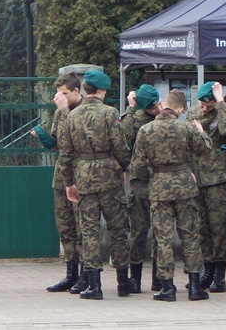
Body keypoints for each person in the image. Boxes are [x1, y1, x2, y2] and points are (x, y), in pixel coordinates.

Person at [130, 89, 212, 302]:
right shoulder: (186, 127)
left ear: (164, 103)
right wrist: (200, 130)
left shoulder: (146, 130)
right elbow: (205, 150)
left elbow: (137, 166)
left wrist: (152, 175)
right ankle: (195, 286)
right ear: (181, 108)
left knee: (163, 238)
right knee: (190, 236)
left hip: (159, 188)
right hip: (185, 186)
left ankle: (167, 287)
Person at [59, 69, 131, 300]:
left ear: (86, 90)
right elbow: (120, 146)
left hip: (84, 178)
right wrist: (123, 167)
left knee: (88, 231)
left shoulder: (72, 116)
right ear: (101, 91)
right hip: (109, 177)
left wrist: (69, 182)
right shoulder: (110, 113)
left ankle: (94, 285)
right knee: (118, 230)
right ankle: (122, 282)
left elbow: (66, 153)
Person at [31, 72, 85, 293]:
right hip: (62, 175)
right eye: (58, 93)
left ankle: (86, 274)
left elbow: (73, 138)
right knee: (65, 227)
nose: (59, 98)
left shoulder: (83, 111)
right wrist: (43, 137)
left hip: (81, 176)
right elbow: (57, 142)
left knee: (82, 226)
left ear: (76, 91)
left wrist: (63, 111)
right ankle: (70, 273)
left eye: (64, 93)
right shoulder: (59, 112)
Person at [186, 81, 226, 292]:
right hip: (197, 177)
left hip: (217, 178)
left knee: (219, 226)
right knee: (201, 227)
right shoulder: (193, 112)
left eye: (208, 105)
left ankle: (219, 272)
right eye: (203, 105)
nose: (204, 109)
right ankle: (206, 268)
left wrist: (219, 103)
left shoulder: (225, 111)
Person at [121, 84, 162, 293]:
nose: (158, 108)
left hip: (160, 180)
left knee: (159, 231)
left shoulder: (163, 119)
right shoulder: (134, 119)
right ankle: (135, 277)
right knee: (138, 231)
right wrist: (130, 108)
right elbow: (123, 138)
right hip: (140, 182)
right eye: (153, 106)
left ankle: (158, 277)